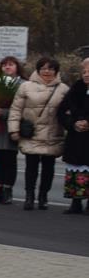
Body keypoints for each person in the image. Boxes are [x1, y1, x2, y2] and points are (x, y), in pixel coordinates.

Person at [10, 57, 67, 211]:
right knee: (31, 167)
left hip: (52, 134)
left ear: (56, 71)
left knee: (49, 168)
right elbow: (16, 109)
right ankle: (29, 196)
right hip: (31, 133)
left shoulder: (63, 89)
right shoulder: (26, 87)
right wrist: (14, 129)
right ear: (38, 70)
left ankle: (43, 196)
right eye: (43, 68)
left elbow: (68, 112)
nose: (47, 72)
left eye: (50, 69)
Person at [0, 55, 24, 205]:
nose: (7, 67)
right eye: (4, 65)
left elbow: (23, 107)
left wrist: (4, 112)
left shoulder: (22, 84)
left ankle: (8, 190)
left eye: (11, 64)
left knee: (9, 159)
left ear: (17, 67)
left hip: (10, 125)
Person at [59, 57, 89, 215]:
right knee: (76, 170)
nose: (86, 74)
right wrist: (73, 123)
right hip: (76, 138)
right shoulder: (76, 89)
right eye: (84, 71)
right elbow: (62, 111)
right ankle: (75, 202)